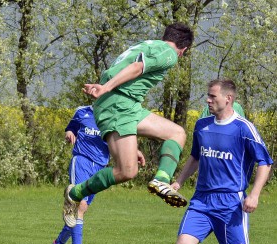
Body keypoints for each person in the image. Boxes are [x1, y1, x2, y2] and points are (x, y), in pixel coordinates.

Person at [144, 79, 272, 244]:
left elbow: (265, 162)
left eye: (212, 96)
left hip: (230, 203)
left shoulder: (244, 128)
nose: (208, 100)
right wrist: (178, 181)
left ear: (228, 99)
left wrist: (254, 194)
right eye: (207, 96)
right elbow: (195, 157)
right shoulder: (202, 125)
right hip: (201, 201)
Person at [63, 23, 194, 227]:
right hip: (118, 103)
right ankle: (75, 193)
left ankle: (161, 179)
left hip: (128, 105)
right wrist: (105, 88)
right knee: (127, 171)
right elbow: (136, 68)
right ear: (183, 50)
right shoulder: (169, 53)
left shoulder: (147, 45)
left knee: (176, 133)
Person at [51, 105, 111, 244]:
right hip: (81, 161)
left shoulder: (113, 115)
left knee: (82, 209)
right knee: (80, 205)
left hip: (100, 167)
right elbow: (70, 128)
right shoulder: (83, 112)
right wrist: (69, 133)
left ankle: (58, 242)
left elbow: (120, 141)